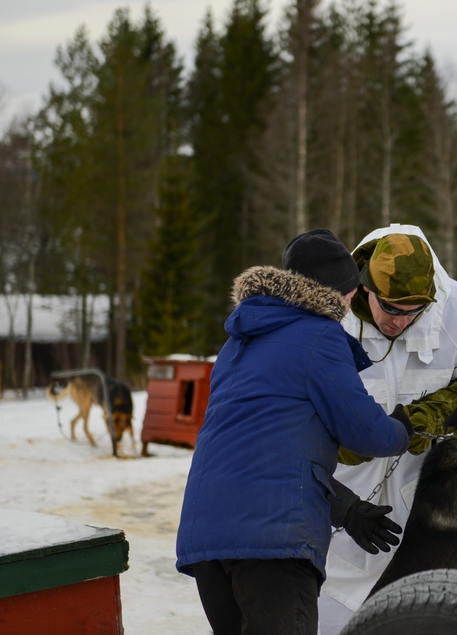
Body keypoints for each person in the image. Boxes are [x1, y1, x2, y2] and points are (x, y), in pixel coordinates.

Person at [176, 228, 413, 635]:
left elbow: (268, 457)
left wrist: (348, 509)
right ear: (334, 290)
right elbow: (366, 433)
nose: (353, 299)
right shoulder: (319, 335)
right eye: (351, 290)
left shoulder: (237, 344)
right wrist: (402, 429)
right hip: (272, 548)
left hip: (207, 543)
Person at [318, 224, 457, 635]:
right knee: (326, 613)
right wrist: (353, 441)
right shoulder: (330, 311)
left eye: (413, 312)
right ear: (366, 288)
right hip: (342, 499)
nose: (400, 322)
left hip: (423, 502)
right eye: (391, 309)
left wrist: (419, 420)